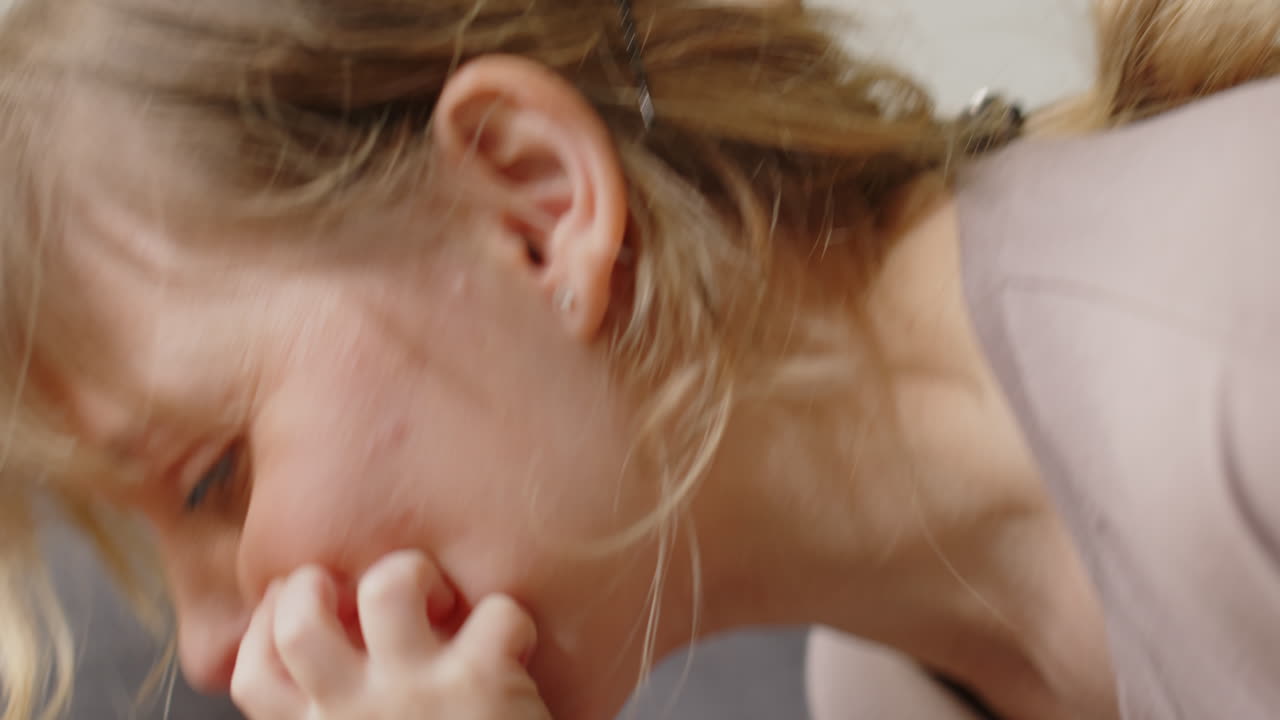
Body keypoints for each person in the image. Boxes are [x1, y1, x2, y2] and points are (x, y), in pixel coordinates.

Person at [0, 0, 1276, 718]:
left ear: (532, 203)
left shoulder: (1229, 337)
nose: (219, 649)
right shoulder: (891, 682)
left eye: (213, 477)